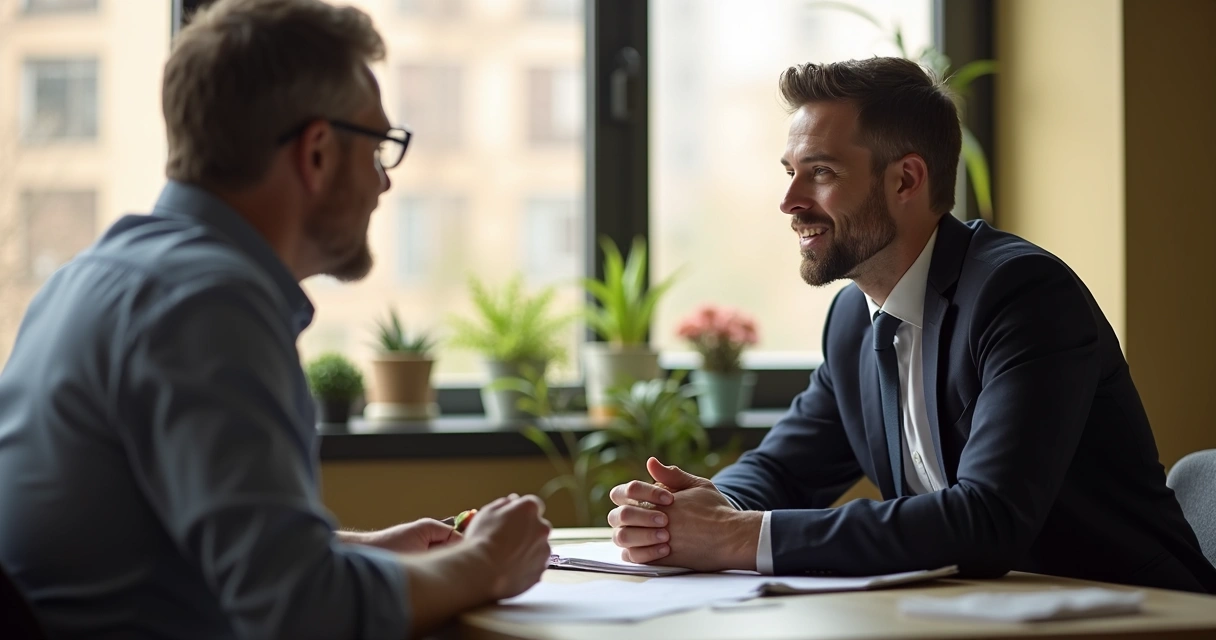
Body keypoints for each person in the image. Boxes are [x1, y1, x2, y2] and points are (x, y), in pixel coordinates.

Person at [0, 0, 551, 637]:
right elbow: (300, 613)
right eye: (379, 147)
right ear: (316, 153)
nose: (384, 185)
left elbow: (161, 543)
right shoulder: (206, 307)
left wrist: (356, 549)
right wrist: (485, 562)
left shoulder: (90, 280)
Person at [606, 57, 1216, 594]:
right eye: (788, 171)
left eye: (820, 172)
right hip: (983, 615)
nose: (789, 200)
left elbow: (989, 519)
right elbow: (786, 468)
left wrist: (739, 538)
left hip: (1142, 615)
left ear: (906, 179)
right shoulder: (853, 318)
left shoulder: (1023, 295)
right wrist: (695, 508)